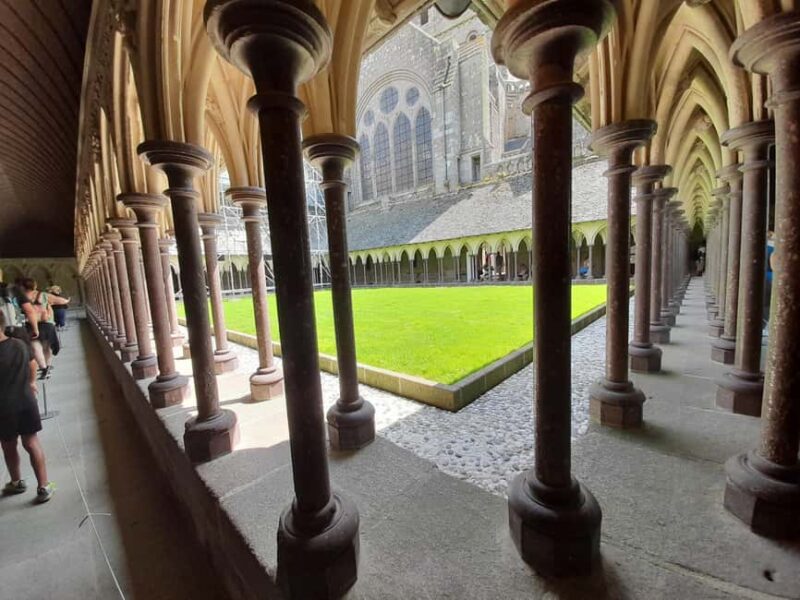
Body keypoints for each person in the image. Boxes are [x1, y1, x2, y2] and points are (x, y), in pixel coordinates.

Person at [0, 310, 55, 503]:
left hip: (3, 407)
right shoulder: (19, 344)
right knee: (31, 442)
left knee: (8, 445)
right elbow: (32, 364)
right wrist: (31, 382)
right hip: (25, 400)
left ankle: (16, 482)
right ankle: (44, 486)